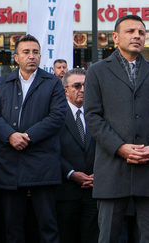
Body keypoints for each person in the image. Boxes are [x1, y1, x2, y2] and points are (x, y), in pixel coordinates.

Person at [85, 15, 149, 243]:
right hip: (112, 168)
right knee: (109, 236)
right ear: (115, 37)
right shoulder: (97, 71)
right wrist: (120, 147)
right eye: (130, 31)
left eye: (141, 32)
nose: (137, 36)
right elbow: (93, 117)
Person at [0, 34, 68, 243]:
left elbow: (57, 117)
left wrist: (27, 137)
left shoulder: (53, 83)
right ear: (16, 57)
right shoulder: (1, 83)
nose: (32, 56)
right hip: (8, 162)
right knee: (12, 225)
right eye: (26, 52)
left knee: (48, 224)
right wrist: (10, 135)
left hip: (42, 161)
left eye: (36, 52)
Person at [56, 68, 98, 243]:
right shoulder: (56, 115)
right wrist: (71, 173)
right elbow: (51, 150)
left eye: (86, 85)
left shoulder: (98, 114)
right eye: (77, 85)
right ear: (66, 90)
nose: (82, 89)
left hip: (95, 191)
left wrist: (99, 174)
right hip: (66, 192)